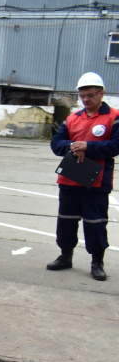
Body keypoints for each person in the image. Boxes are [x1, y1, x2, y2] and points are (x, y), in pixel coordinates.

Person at [49, 71, 119, 281]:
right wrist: (73, 146)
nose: (86, 100)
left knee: (95, 222)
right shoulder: (73, 118)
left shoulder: (114, 117)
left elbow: (115, 146)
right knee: (66, 221)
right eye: (83, 96)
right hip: (71, 176)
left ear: (101, 93)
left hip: (97, 180)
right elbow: (56, 143)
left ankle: (97, 262)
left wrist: (88, 146)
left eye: (90, 95)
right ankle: (65, 256)